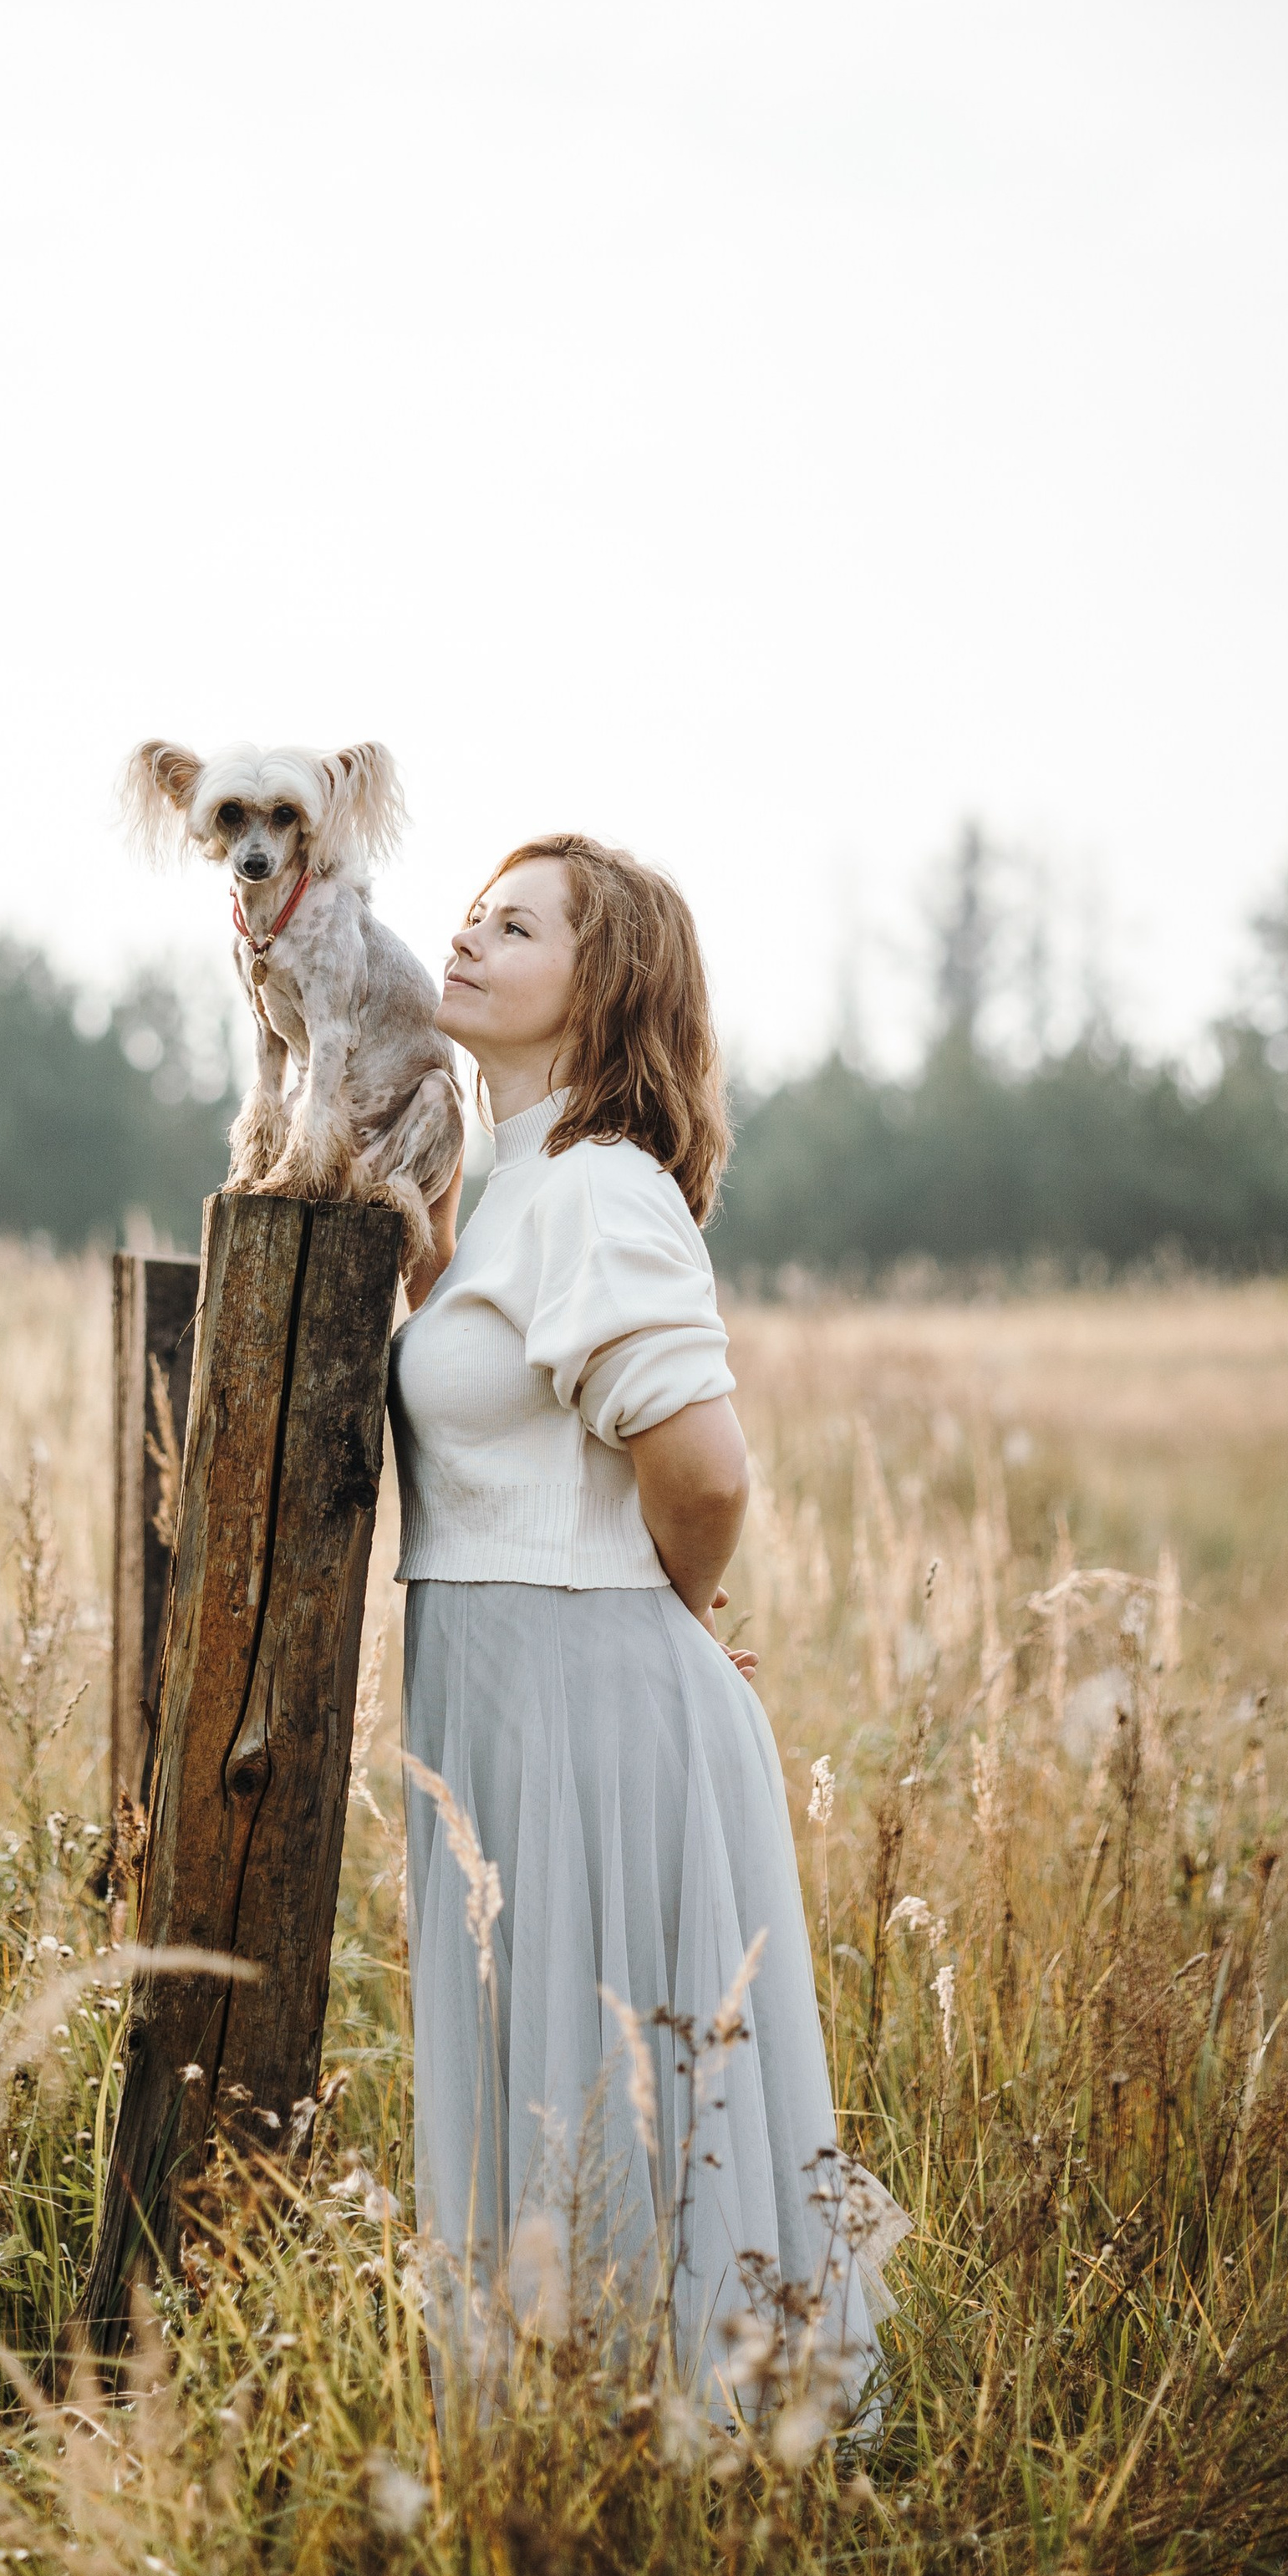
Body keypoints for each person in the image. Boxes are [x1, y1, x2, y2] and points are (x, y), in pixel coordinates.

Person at [389, 833, 893, 2416]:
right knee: (547, 2089)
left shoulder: (600, 1186)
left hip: (591, 1707)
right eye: (471, 913)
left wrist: (662, 1623)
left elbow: (705, 1469)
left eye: (516, 926)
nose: (465, 938)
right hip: (503, 1696)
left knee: (608, 2094)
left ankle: (663, 2462)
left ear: (603, 989)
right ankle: (558, 2443)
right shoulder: (511, 1189)